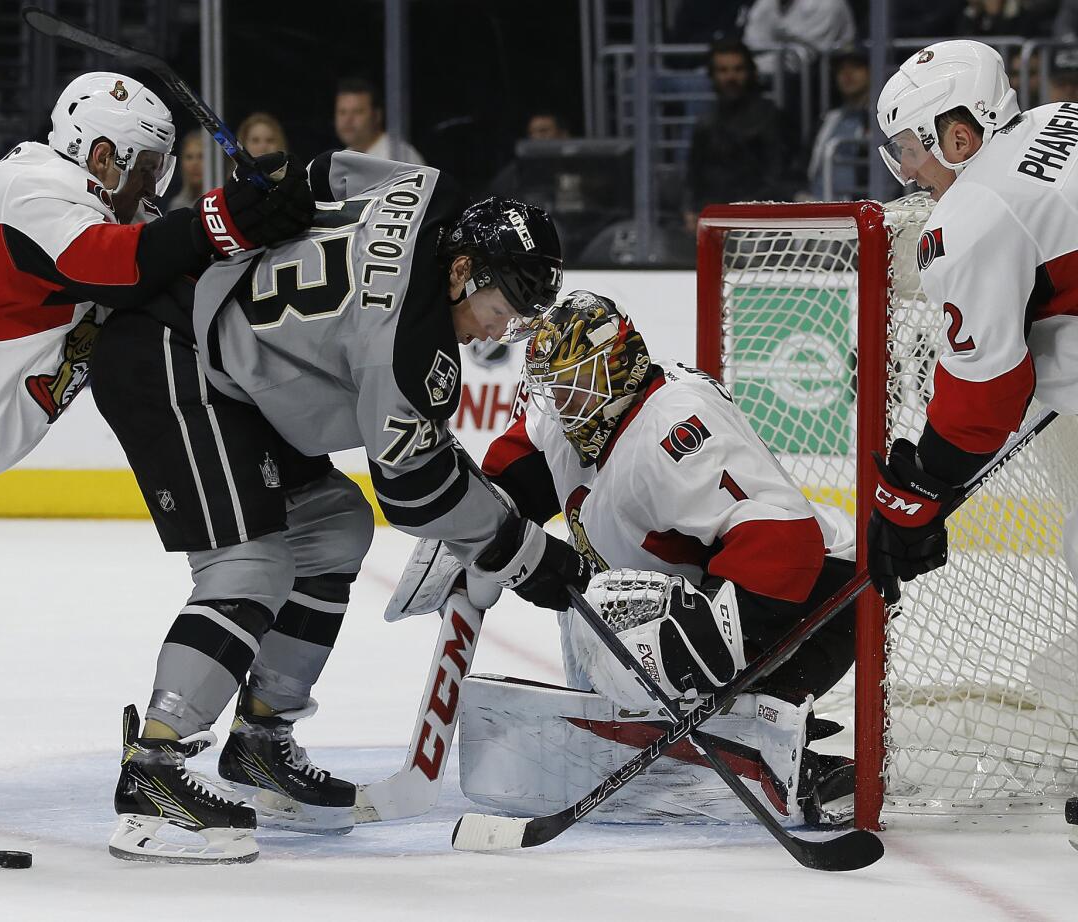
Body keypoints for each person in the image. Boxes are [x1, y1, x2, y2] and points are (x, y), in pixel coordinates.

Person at [90, 150, 586, 863]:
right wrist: (520, 549)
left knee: (332, 526)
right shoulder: (411, 348)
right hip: (173, 352)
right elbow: (415, 490)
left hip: (230, 358)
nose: (491, 335)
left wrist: (272, 186)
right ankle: (154, 770)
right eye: (499, 312)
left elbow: (316, 173)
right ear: (460, 273)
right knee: (252, 562)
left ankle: (261, 739)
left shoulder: (425, 189)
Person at [0, 71, 313, 664]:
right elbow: (116, 265)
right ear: (104, 157)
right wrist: (225, 216)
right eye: (148, 169)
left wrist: (268, 216)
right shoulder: (32, 188)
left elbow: (167, 261)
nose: (154, 187)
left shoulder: (88, 209)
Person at [479, 290, 858, 823]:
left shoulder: (673, 429)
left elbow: (785, 544)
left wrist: (707, 655)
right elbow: (519, 462)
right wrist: (472, 519)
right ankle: (722, 722)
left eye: (573, 385)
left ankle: (757, 734)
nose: (560, 401)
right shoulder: (578, 414)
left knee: (631, 618)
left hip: (816, 595)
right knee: (595, 598)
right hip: (719, 583)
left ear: (617, 369)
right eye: (552, 388)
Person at [867, 40, 1078, 607]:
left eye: (911, 148)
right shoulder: (1058, 117)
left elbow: (986, 392)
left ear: (957, 138)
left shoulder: (971, 220)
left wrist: (919, 493)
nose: (907, 172)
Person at [684, 40, 790, 233]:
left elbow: (778, 177)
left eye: (738, 69)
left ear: (750, 73)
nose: (730, 77)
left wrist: (746, 210)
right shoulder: (706, 122)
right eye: (723, 70)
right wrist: (690, 209)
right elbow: (693, 175)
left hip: (757, 222)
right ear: (712, 75)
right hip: (711, 218)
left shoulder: (769, 117)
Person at [807, 48, 871, 200]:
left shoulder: (882, 120)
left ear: (872, 71)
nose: (847, 74)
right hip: (818, 206)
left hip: (860, 210)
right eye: (841, 69)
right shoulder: (827, 119)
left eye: (856, 67)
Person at [334, 77, 426, 164]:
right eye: (342, 112)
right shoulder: (341, 160)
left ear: (377, 115)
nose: (348, 120)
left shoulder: (399, 157)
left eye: (358, 112)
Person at [164, 130, 204, 212]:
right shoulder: (177, 206)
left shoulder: (222, 201)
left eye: (201, 156)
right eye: (189, 157)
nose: (195, 163)